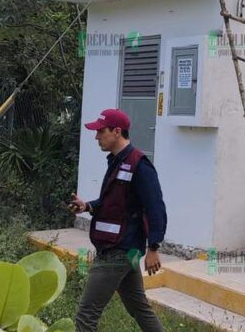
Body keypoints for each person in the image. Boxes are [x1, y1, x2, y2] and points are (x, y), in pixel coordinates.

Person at [69, 108, 167, 332]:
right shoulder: (115, 161)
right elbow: (114, 202)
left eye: (100, 131)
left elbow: (156, 208)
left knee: (86, 315)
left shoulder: (139, 165)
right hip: (120, 247)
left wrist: (153, 247)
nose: (96, 137)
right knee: (139, 308)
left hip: (119, 250)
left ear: (116, 131)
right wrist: (88, 206)